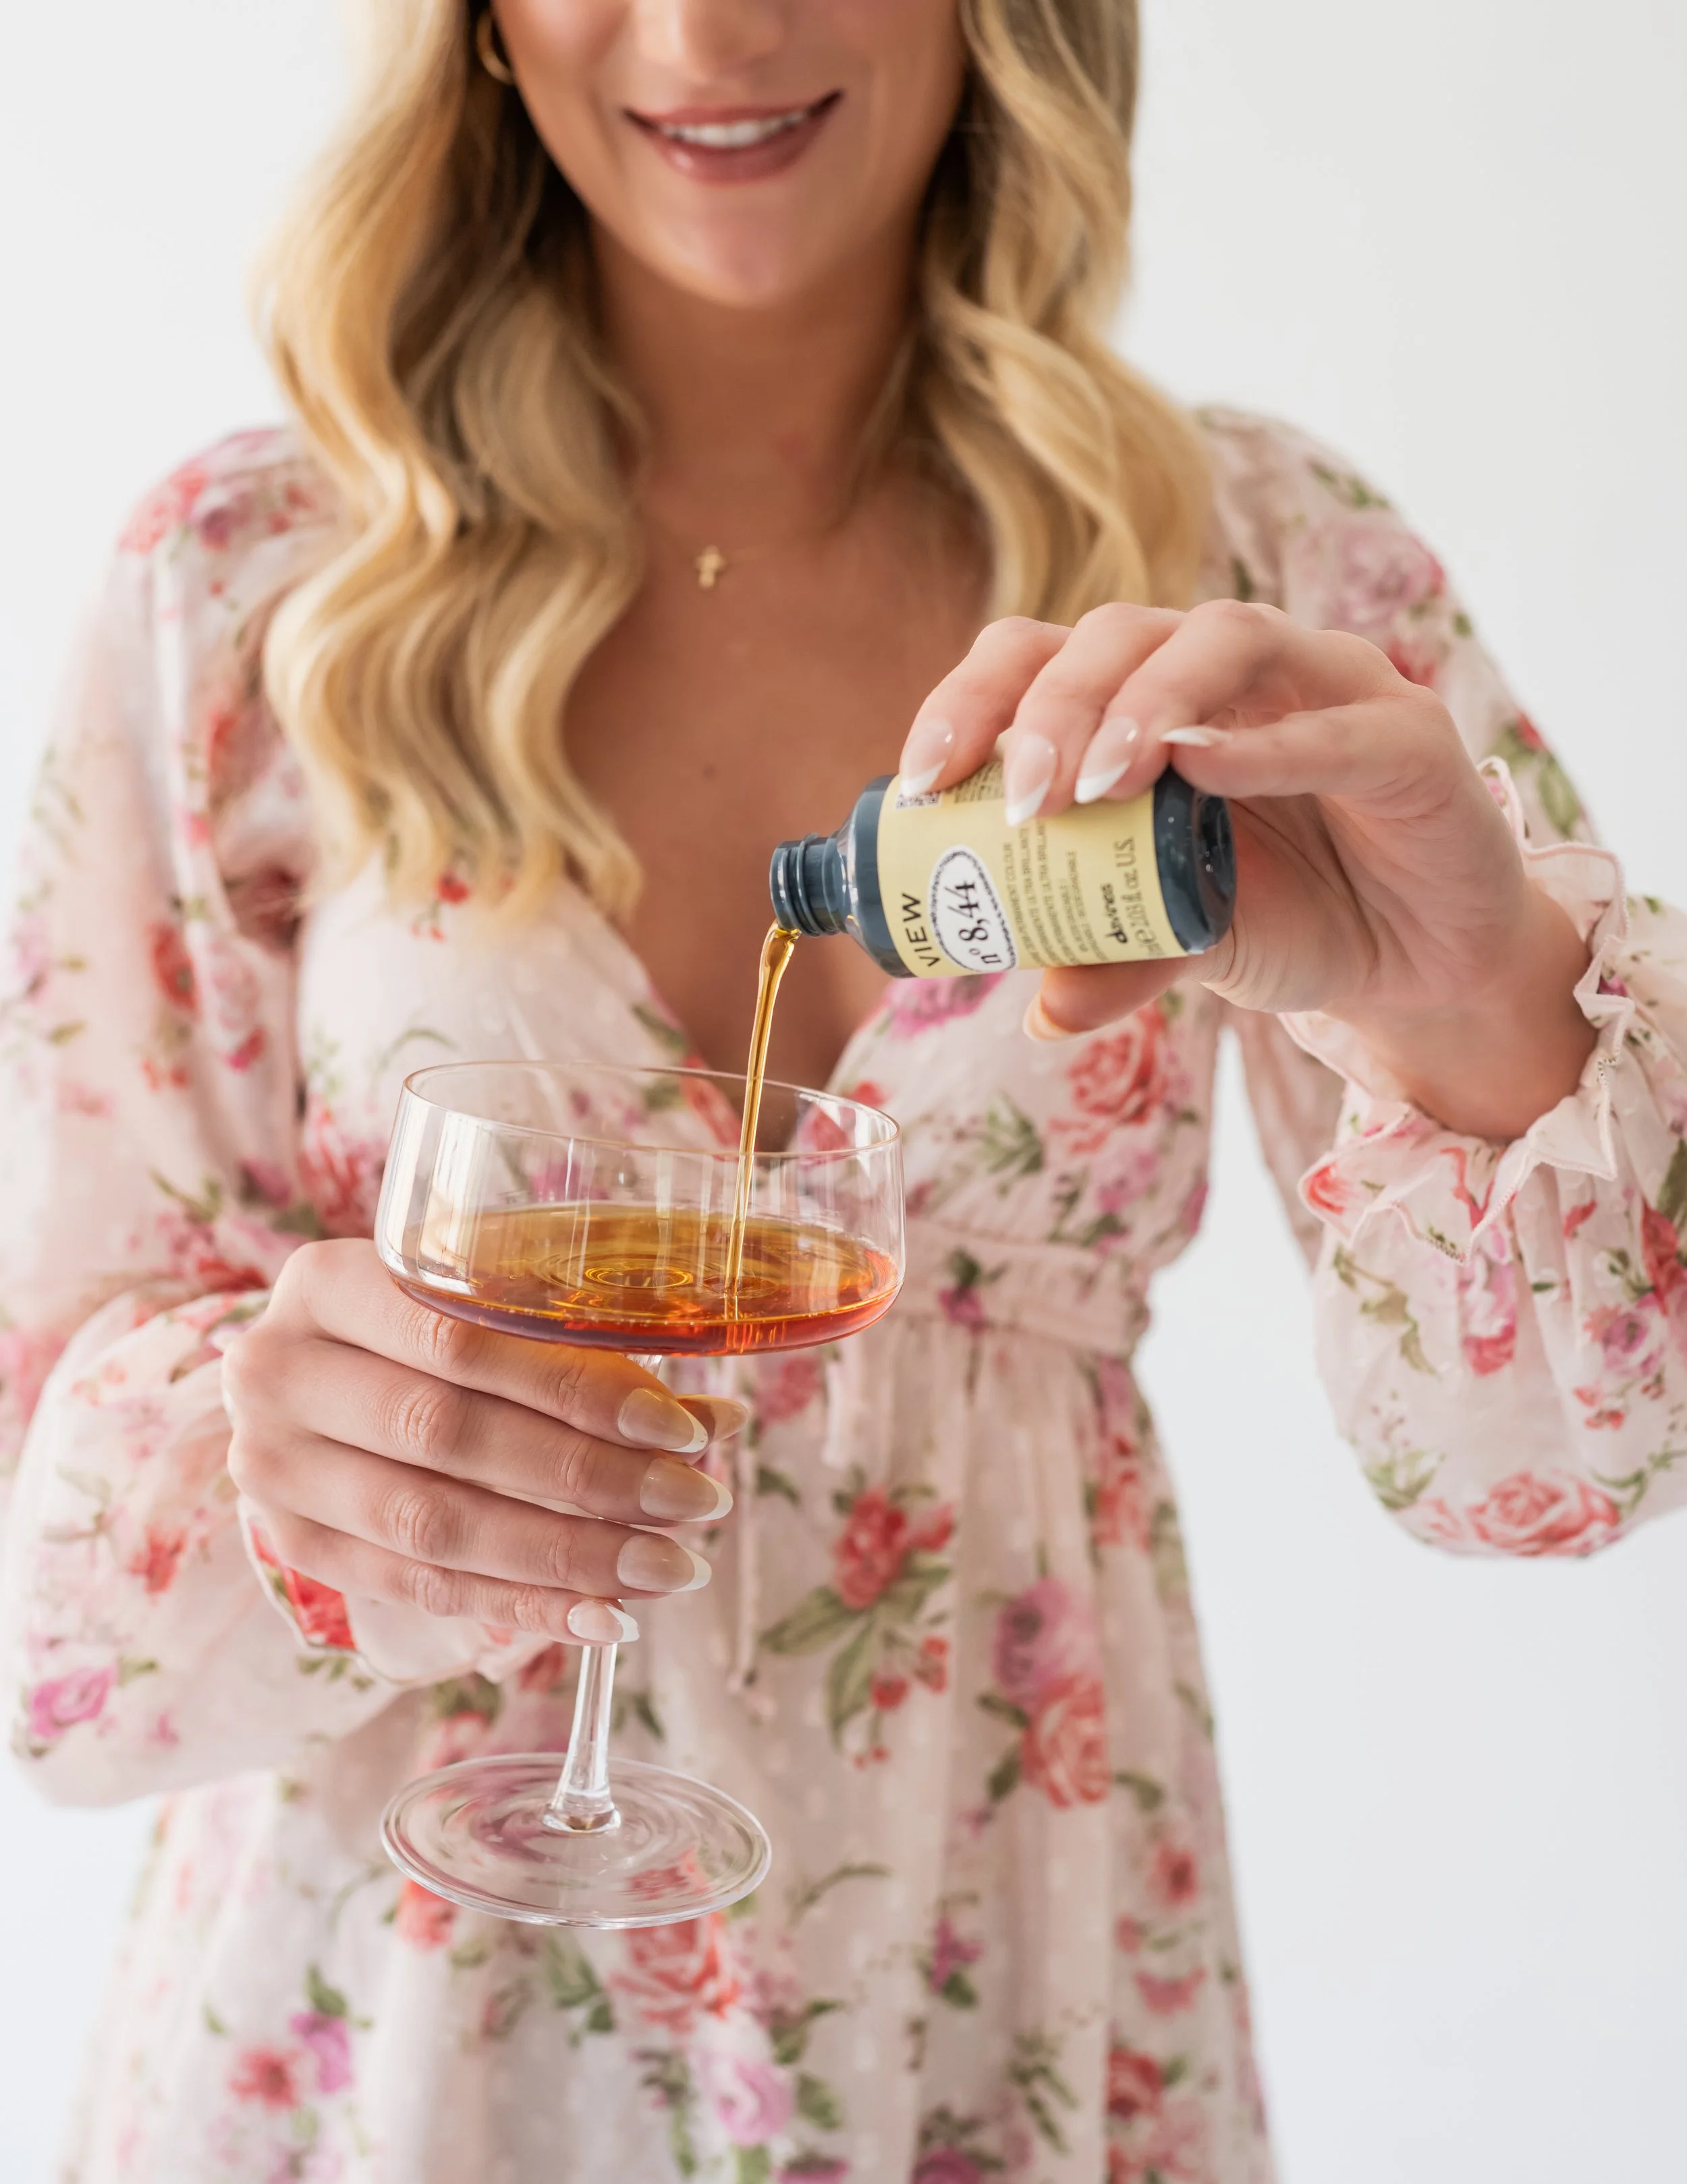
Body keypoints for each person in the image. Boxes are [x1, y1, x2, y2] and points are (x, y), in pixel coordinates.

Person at [3, 2, 1684, 2179]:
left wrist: (1461, 988)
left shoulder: (1260, 576)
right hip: (384, 2063)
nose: (710, 28)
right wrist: (279, 1454)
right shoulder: (246, 589)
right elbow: (38, 1618)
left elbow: (1560, 1464)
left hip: (996, 2025)